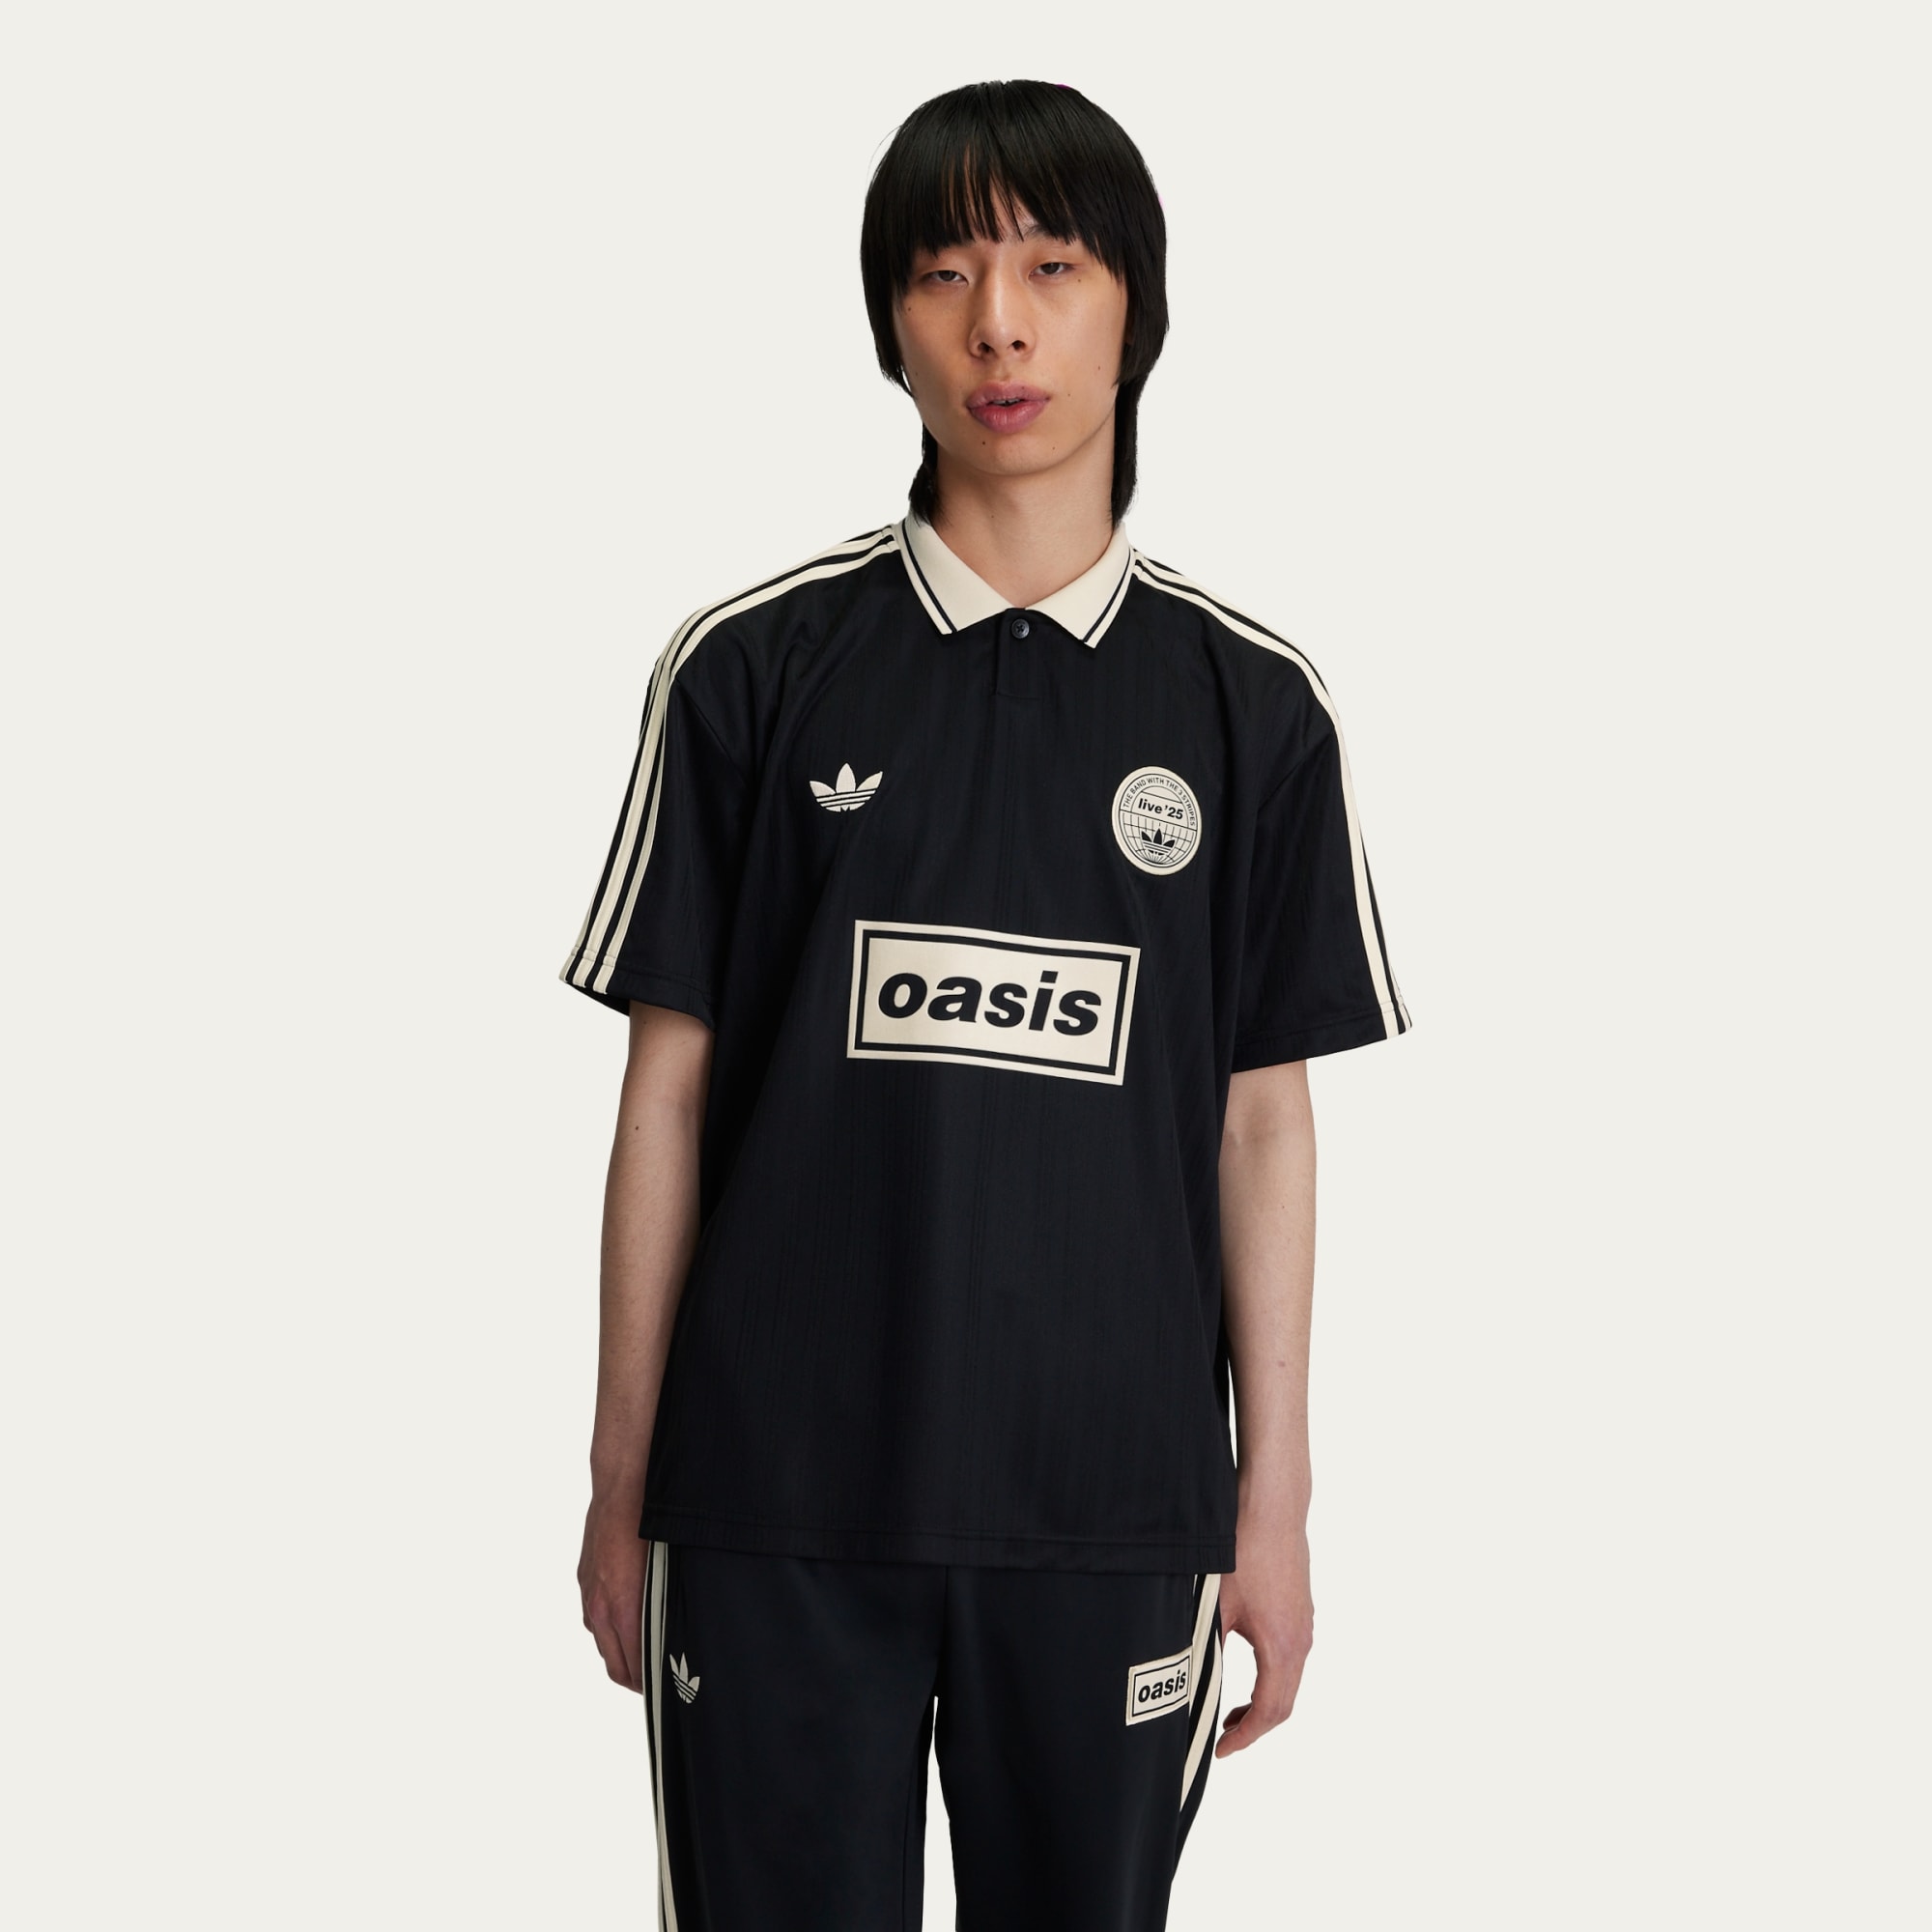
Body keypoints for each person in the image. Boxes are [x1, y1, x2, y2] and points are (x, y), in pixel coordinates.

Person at [560, 76, 1411, 1932]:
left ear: (1137, 307)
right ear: (891, 323)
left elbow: (1262, 1123)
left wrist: (1273, 1508)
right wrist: (623, 1476)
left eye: (1050, 266)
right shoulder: (750, 671)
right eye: (944, 274)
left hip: (1114, 1516)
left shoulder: (1253, 711)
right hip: (774, 1506)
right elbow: (667, 1098)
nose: (998, 325)